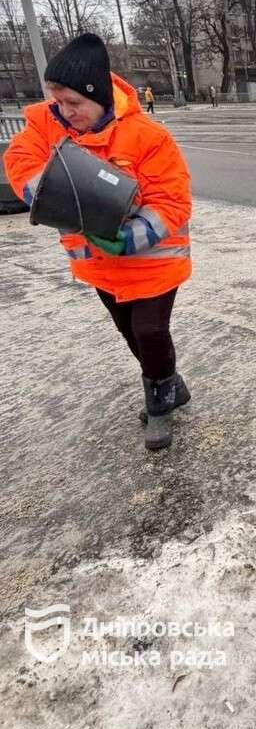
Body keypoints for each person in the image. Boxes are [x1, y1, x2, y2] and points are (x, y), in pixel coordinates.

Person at [3, 33, 192, 451]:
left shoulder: (148, 136)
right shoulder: (47, 122)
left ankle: (159, 403)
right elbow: (20, 159)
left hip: (154, 262)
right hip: (98, 265)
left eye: (74, 103)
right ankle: (170, 383)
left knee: (150, 330)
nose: (66, 113)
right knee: (129, 332)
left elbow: (172, 200)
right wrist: (48, 192)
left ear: (100, 97)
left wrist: (127, 237)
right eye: (59, 102)